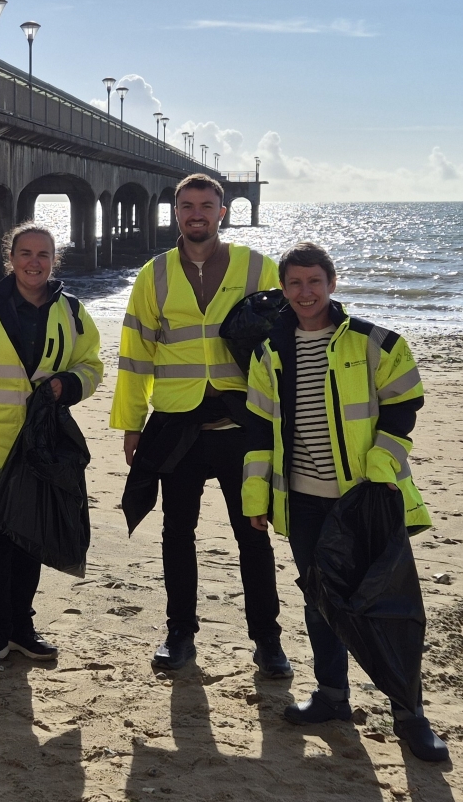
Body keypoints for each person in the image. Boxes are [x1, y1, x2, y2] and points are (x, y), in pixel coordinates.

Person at [242, 242, 447, 761]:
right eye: (294, 284)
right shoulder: (270, 352)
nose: (304, 292)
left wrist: (377, 476)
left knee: (387, 604)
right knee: (321, 604)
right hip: (304, 501)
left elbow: (403, 408)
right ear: (283, 289)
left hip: (369, 501)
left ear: (332, 283)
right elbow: (259, 430)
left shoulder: (376, 342)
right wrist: (256, 494)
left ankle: (409, 715)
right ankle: (332, 695)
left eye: (314, 281)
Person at [111, 173, 289, 674]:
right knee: (176, 533)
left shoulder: (258, 267)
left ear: (222, 212)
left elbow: (289, 339)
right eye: (187, 205)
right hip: (177, 426)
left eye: (206, 205)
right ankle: (179, 633)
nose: (197, 213)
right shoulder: (155, 274)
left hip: (241, 427)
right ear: (176, 212)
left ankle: (268, 642)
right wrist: (131, 424)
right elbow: (134, 354)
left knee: (253, 533)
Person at [0, 223, 102, 671]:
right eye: (25, 253)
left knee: (30, 538)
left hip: (39, 444)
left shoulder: (71, 310)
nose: (34, 262)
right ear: (11, 258)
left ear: (54, 259)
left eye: (43, 254)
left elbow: (92, 364)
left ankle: (22, 630)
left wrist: (69, 383)